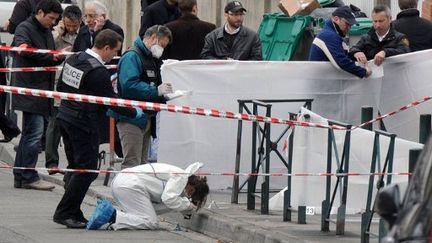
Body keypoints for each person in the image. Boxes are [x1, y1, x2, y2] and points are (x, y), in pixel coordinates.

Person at [52, 29, 142, 229]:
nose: (114, 56)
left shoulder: (74, 59)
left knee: (77, 168)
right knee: (87, 169)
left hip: (65, 117)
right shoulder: (98, 71)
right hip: (83, 123)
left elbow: (61, 88)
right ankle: (65, 212)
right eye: (114, 51)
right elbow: (111, 101)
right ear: (106, 47)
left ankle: (73, 211)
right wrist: (134, 112)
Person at [12, 0, 64, 191]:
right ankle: (28, 175)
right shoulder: (24, 28)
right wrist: (51, 56)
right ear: (40, 12)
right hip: (30, 90)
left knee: (29, 134)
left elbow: (49, 55)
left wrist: (58, 56)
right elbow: (23, 50)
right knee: (34, 134)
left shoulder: (46, 31)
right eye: (51, 18)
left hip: (42, 89)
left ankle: (21, 174)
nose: (53, 23)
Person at [107, 25, 173, 169]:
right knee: (132, 163)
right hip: (130, 116)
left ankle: (137, 190)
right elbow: (129, 85)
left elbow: (152, 82)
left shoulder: (150, 58)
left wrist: (164, 96)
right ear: (153, 38)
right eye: (162, 45)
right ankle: (125, 190)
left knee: (142, 165)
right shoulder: (132, 56)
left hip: (146, 116)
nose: (162, 49)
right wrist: (156, 91)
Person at [86, 162, 209, 230]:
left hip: (122, 183)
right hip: (130, 185)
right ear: (192, 186)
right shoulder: (181, 177)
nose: (188, 195)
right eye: (191, 192)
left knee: (150, 215)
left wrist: (184, 209)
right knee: (151, 222)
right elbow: (168, 199)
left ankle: (111, 215)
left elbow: (166, 203)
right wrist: (188, 205)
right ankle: (112, 215)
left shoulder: (179, 176)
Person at [45, 4, 82, 173]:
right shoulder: (56, 35)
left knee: (74, 123)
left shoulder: (85, 34)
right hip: (59, 82)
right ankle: (52, 162)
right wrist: (59, 33)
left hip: (79, 83)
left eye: (75, 26)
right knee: (55, 122)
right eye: (69, 25)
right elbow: (47, 50)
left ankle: (74, 163)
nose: (72, 29)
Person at [309, 6, 371, 78]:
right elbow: (341, 62)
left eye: (350, 25)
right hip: (319, 83)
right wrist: (364, 72)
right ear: (336, 19)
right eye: (347, 24)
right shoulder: (329, 35)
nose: (349, 28)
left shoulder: (333, 34)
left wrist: (355, 54)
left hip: (324, 81)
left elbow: (344, 56)